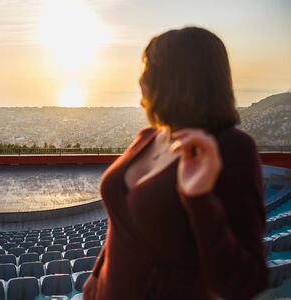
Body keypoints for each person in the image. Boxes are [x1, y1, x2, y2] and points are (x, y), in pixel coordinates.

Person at [83, 26, 269, 299]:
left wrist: (199, 199)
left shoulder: (231, 149)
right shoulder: (148, 137)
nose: (141, 79)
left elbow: (245, 281)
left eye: (149, 68)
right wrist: (97, 273)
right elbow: (120, 220)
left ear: (178, 79)